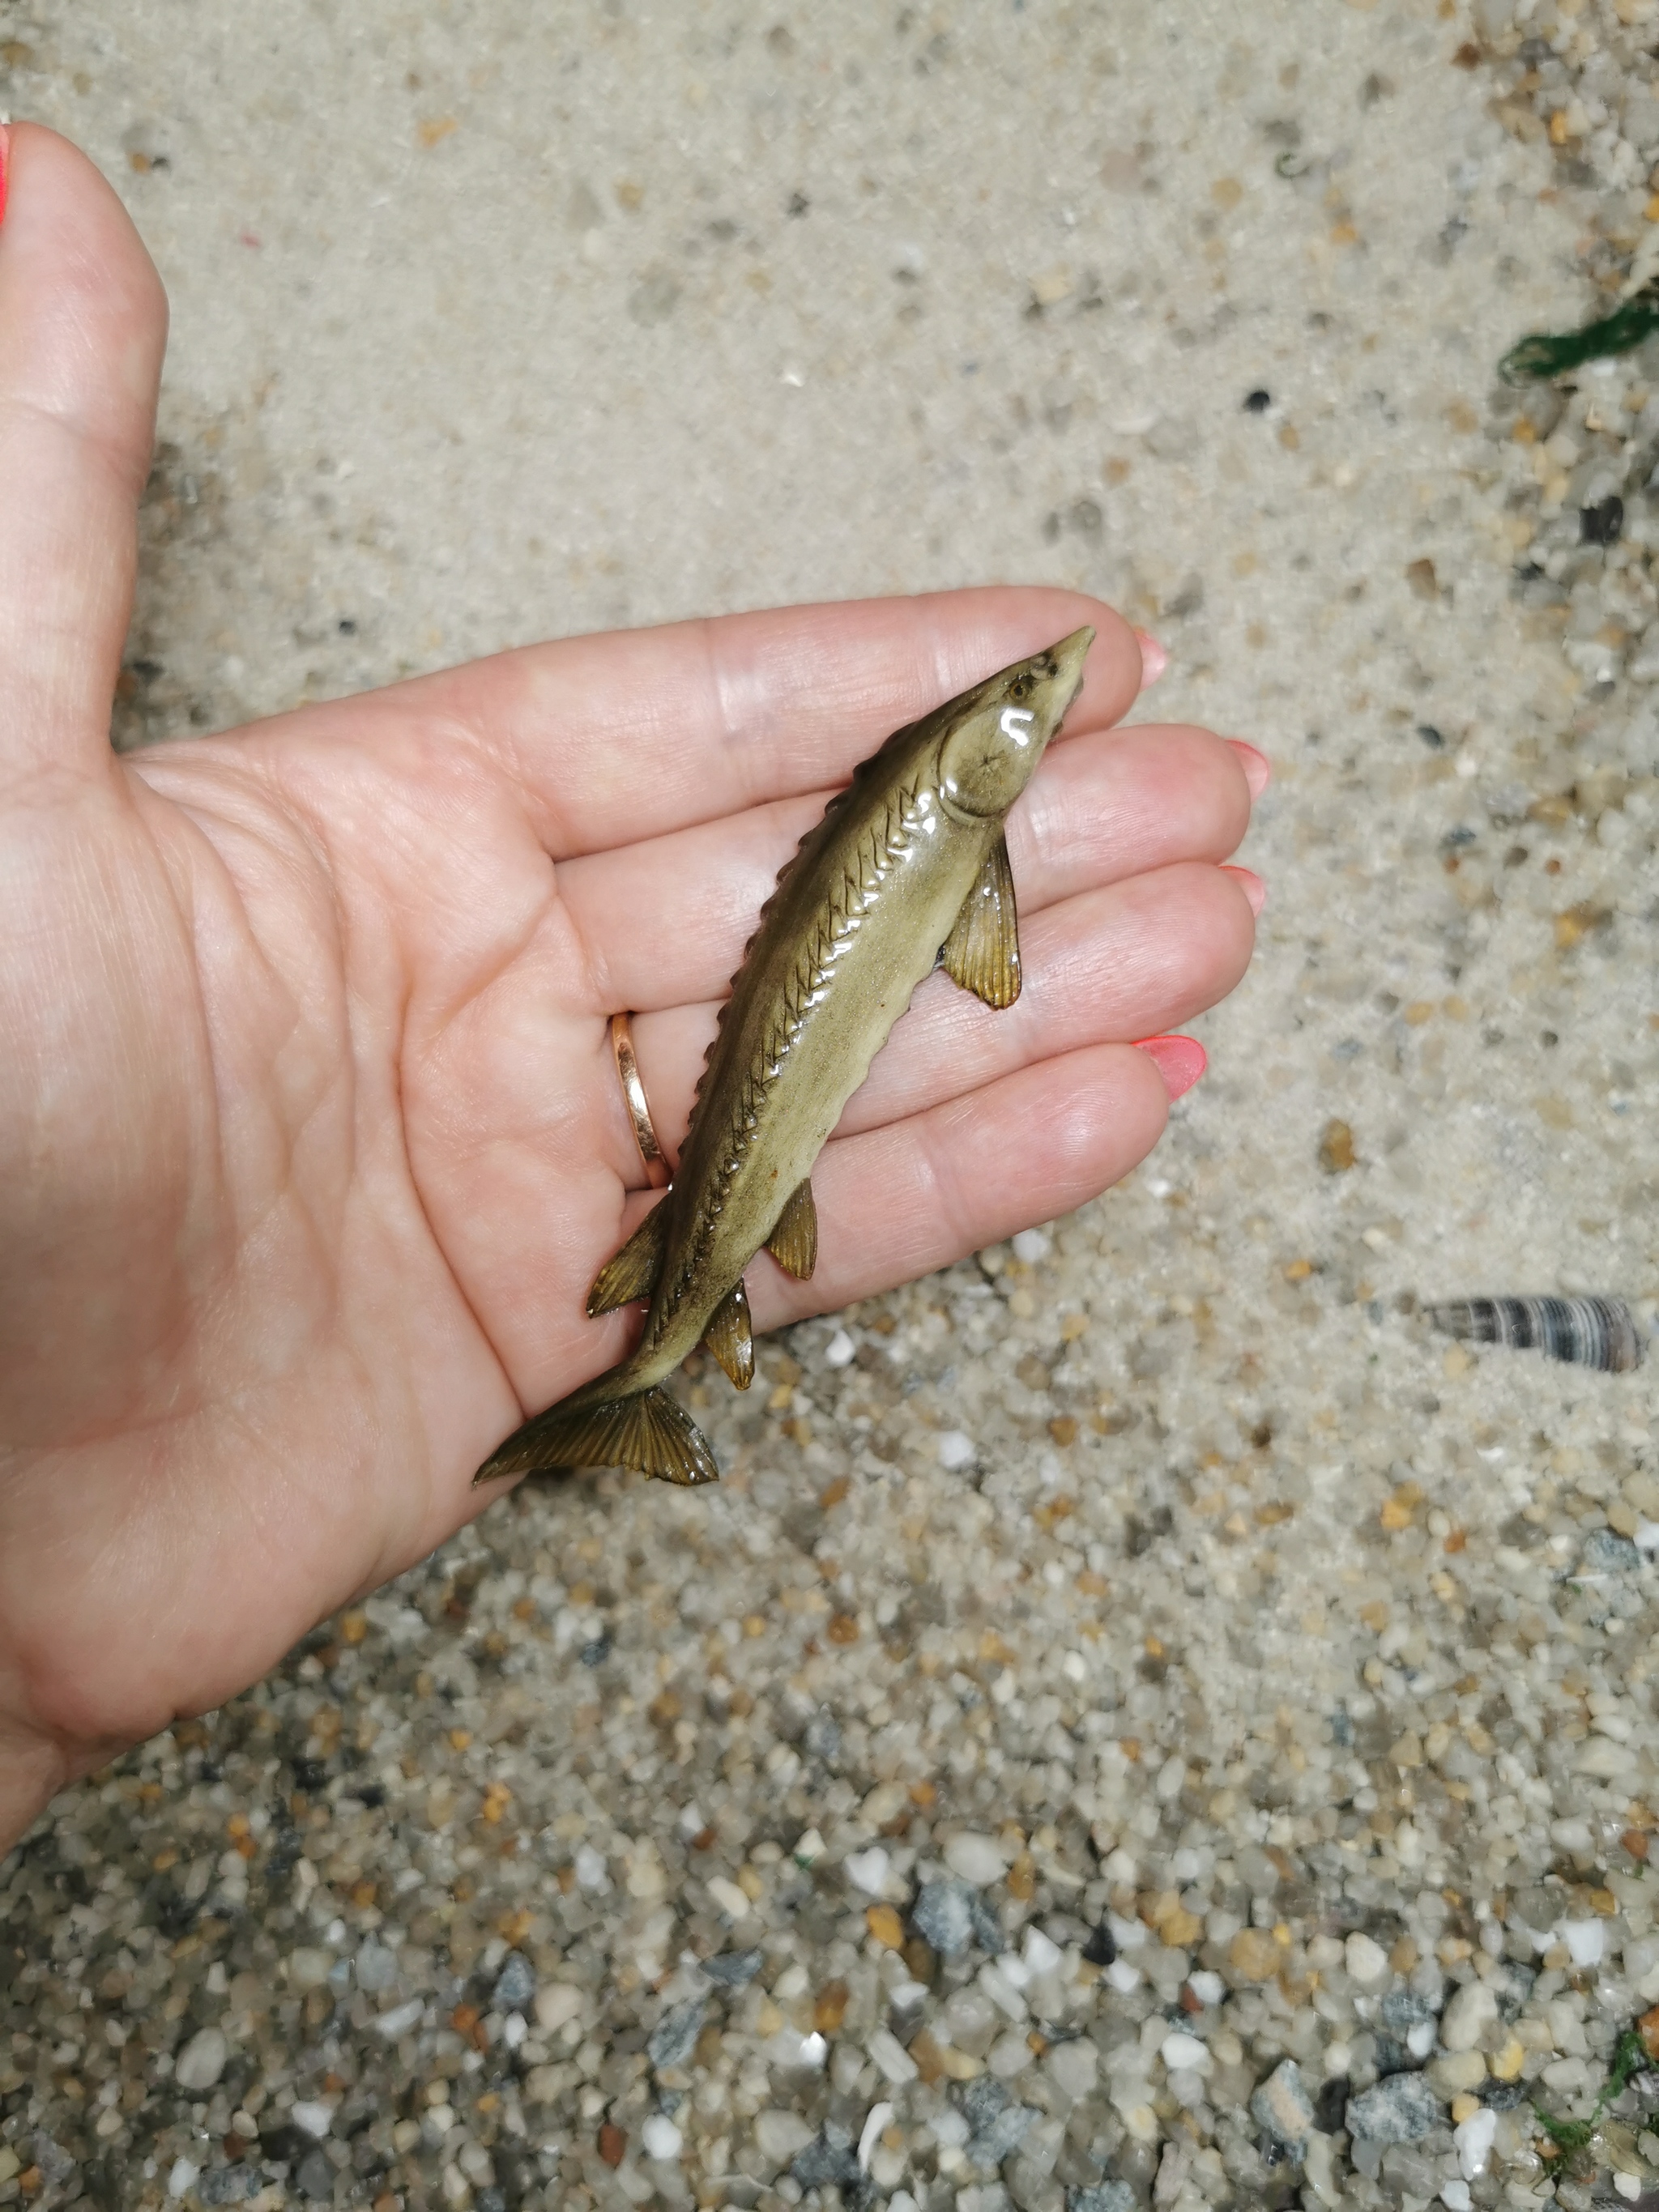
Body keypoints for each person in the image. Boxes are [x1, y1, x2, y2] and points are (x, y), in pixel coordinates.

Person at [0, 124, 1267, 1856]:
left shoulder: (957, 835)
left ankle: (646, 1356)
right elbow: (979, 951)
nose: (1037, 716)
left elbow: (981, 947)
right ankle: (643, 1363)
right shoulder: (951, 827)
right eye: (1026, 713)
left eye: (1030, 711)